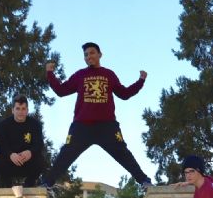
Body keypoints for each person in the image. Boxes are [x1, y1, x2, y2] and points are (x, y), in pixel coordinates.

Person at [42, 42, 153, 189]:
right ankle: (47, 183)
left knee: (123, 154)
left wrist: (140, 81)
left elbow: (124, 94)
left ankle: (144, 181)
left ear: (100, 54)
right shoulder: (80, 75)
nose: (89, 57)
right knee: (66, 154)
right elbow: (61, 91)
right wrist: (50, 74)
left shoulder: (109, 74)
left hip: (106, 125)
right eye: (86, 55)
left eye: (92, 53)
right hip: (82, 126)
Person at [0, 94, 45, 187]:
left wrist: (30, 152)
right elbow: (1, 145)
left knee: (40, 160)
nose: (20, 112)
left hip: (27, 161)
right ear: (13, 110)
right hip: (11, 161)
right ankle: (6, 185)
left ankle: (29, 185)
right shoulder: (4, 124)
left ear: (27, 110)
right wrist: (10, 154)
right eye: (18, 108)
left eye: (23, 109)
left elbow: (39, 144)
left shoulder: (35, 124)